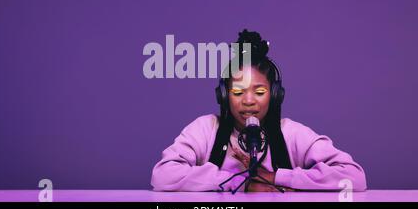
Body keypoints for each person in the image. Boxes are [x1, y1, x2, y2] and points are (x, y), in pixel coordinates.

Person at [151, 29, 367, 192]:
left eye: (260, 91)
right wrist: (239, 181)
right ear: (224, 97)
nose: (248, 101)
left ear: (275, 95)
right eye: (237, 92)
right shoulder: (206, 128)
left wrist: (274, 178)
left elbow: (354, 178)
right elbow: (162, 176)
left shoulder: (291, 133)